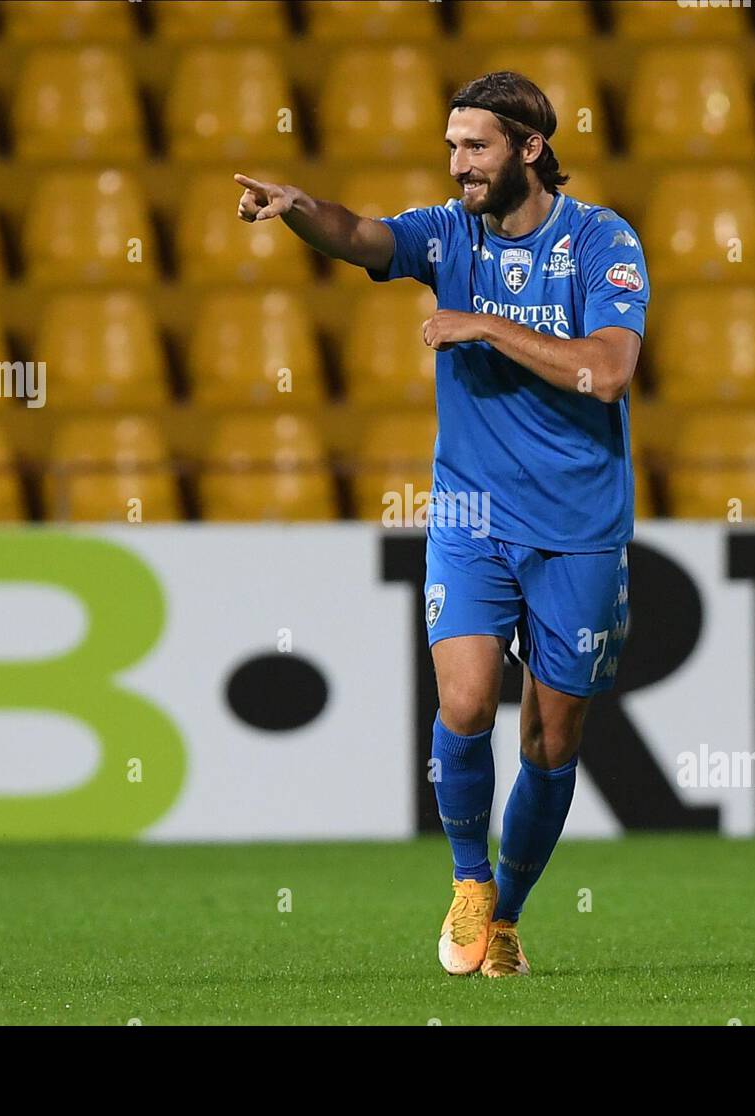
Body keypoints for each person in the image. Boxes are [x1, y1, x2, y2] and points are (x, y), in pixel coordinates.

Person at [235, 71, 648, 977]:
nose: (457, 164)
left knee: (553, 737)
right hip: (468, 515)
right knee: (463, 702)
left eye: (476, 147)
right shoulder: (446, 233)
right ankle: (470, 882)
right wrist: (301, 209)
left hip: (578, 526)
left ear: (529, 150)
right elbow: (360, 235)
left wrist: (486, 328)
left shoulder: (602, 242)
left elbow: (608, 374)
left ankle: (507, 913)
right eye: (452, 145)